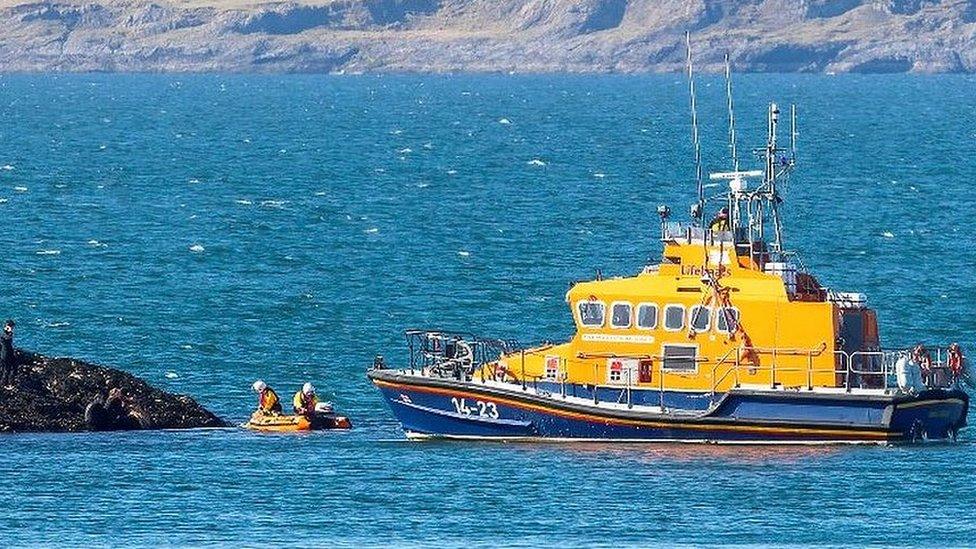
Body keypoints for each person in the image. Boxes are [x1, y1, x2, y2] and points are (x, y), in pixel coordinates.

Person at [1, 320, 16, 387]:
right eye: (11, 327)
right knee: (6, 369)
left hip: (10, 353)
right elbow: (7, 338)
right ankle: (4, 384)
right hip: (5, 354)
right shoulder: (3, 334)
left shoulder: (7, 333)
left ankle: (10, 383)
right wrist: (10, 332)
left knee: (13, 367)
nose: (12, 328)